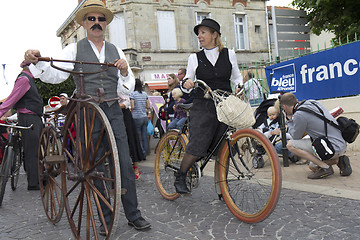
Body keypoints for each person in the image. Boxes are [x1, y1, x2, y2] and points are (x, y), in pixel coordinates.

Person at [24, 0, 150, 231]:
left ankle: (133, 213)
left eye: (100, 19)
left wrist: (123, 71)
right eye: (91, 19)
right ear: (84, 23)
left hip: (113, 110)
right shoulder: (74, 49)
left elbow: (127, 87)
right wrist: (37, 60)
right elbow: (54, 73)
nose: (96, 23)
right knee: (94, 165)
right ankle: (105, 216)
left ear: (105, 24)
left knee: (123, 161)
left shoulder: (116, 50)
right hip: (86, 112)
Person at [174, 18, 243, 194]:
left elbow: (237, 77)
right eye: (198, 33)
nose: (199, 36)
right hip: (203, 105)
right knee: (198, 145)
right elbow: (186, 81)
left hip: (224, 105)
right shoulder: (194, 57)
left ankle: (222, 187)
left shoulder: (230, 54)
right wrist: (187, 83)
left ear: (214, 35)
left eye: (203, 32)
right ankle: (181, 175)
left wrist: (239, 86)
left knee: (225, 148)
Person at [279, 92, 351, 179]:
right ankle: (339, 160)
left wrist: (289, 120)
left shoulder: (299, 115)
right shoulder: (312, 102)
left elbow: (295, 136)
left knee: (290, 145)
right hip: (340, 143)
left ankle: (326, 168)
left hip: (331, 147)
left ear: (284, 107)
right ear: (297, 100)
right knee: (312, 167)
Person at [0, 61, 43, 190]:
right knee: (32, 150)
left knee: (37, 148)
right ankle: (33, 182)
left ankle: (39, 177)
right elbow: (12, 99)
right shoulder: (24, 79)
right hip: (28, 117)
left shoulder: (28, 79)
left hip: (33, 117)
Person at [118, 83, 144, 180]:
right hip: (111, 113)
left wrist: (115, 106)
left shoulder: (121, 84)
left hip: (124, 114)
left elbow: (127, 102)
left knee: (131, 139)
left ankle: (135, 167)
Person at [130, 79, 151, 159]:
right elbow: (148, 106)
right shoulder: (144, 94)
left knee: (138, 137)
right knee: (144, 135)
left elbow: (132, 106)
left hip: (136, 117)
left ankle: (141, 152)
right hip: (144, 117)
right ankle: (146, 151)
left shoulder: (133, 94)